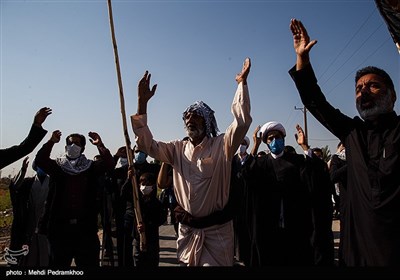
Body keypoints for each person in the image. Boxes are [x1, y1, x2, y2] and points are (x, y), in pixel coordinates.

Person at [289, 18, 399, 266]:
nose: (363, 92)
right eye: (359, 88)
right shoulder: (352, 133)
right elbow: (316, 102)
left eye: (373, 86)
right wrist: (302, 60)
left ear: (392, 95)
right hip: (355, 255)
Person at [130, 57, 252, 266]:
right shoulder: (176, 148)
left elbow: (241, 123)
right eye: (187, 116)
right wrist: (142, 104)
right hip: (187, 232)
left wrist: (242, 84)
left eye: (195, 116)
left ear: (206, 122)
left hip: (216, 234)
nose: (190, 120)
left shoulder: (223, 145)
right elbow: (146, 145)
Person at [35, 130, 115, 267]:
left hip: (85, 230)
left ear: (83, 148)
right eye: (70, 143)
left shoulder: (90, 167)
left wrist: (100, 145)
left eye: (77, 143)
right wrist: (51, 142)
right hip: (60, 231)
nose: (73, 145)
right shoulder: (57, 166)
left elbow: (109, 164)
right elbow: (40, 160)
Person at [8, 156, 50, 266]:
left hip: (46, 224)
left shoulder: (53, 184)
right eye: (40, 166)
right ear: (36, 168)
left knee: (45, 256)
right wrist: (23, 170)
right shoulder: (28, 183)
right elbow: (15, 187)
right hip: (28, 224)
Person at [131, 172, 166, 267]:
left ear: (153, 186)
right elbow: (123, 193)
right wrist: (129, 178)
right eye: (143, 184)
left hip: (152, 242)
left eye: (148, 184)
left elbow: (162, 218)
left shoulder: (157, 204)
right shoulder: (136, 202)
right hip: (137, 241)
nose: (145, 187)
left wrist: (147, 225)